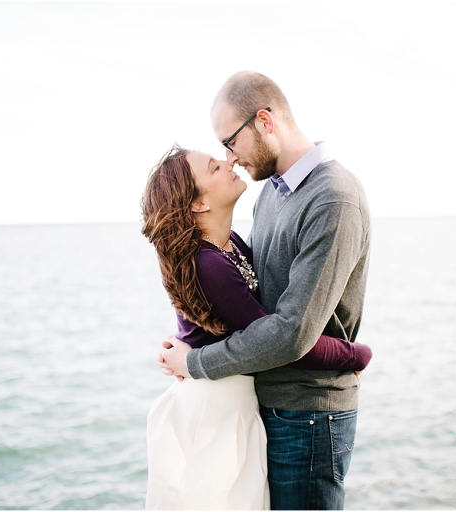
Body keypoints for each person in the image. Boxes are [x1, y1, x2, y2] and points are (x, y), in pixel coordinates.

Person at [157, 71, 371, 510]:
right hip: (271, 405)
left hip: (309, 412)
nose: (230, 158)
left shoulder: (333, 198)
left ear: (265, 121)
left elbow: (292, 331)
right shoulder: (270, 194)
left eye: (230, 142)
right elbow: (248, 301)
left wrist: (195, 360)